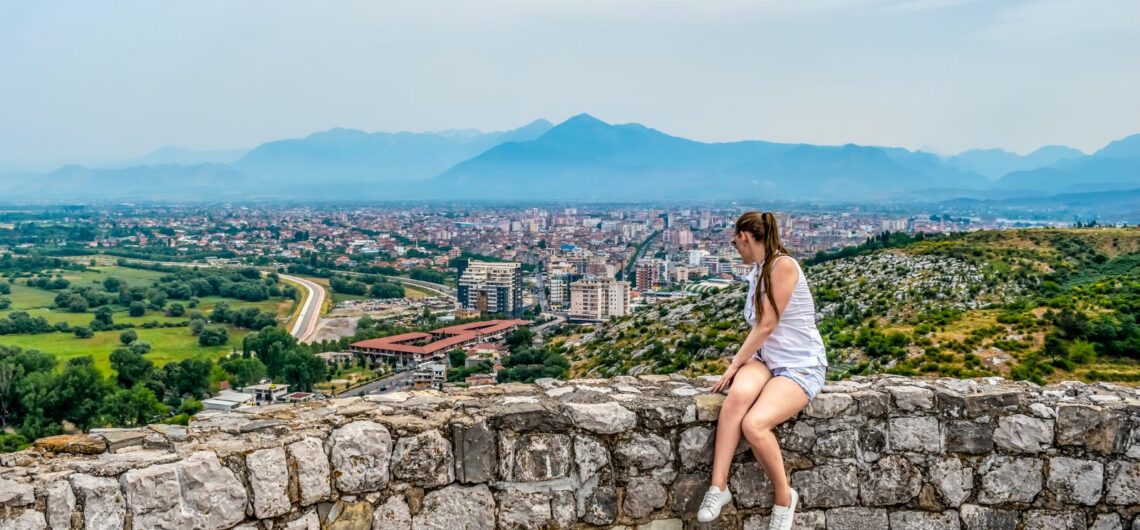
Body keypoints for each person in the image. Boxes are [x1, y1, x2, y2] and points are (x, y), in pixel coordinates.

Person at [697, 211, 829, 530]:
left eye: (734, 242)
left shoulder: (782, 266)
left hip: (799, 365)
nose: (735, 248)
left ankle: (784, 498)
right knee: (737, 398)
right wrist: (742, 365)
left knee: (755, 425)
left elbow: (768, 323)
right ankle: (719, 487)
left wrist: (734, 363)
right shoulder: (758, 271)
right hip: (767, 359)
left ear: (745, 237)